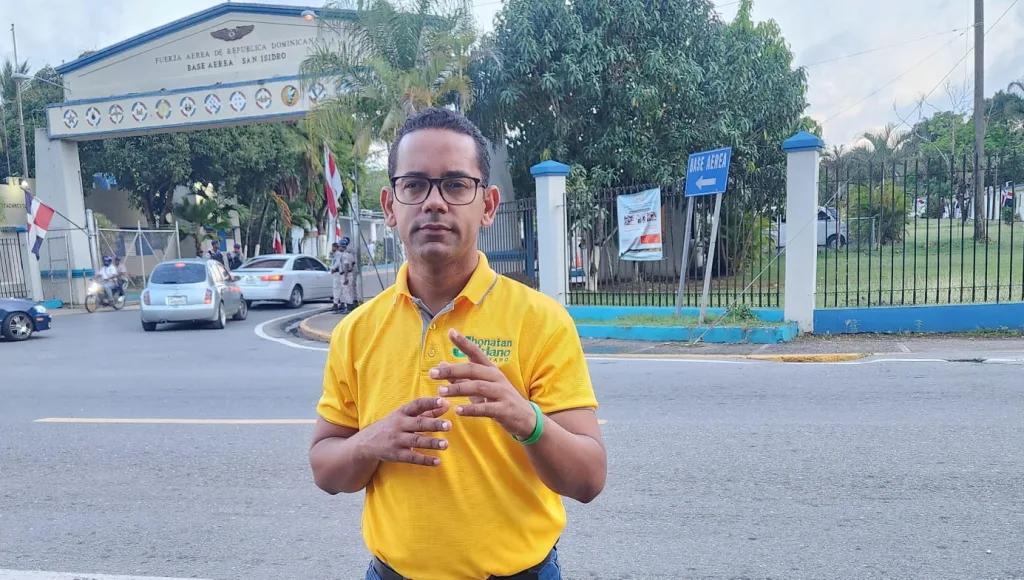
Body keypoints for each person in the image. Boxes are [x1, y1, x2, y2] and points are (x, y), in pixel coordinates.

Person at [311, 108, 606, 580]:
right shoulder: (356, 331)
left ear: (487, 205)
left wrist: (524, 418)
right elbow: (325, 469)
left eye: (455, 185)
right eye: (414, 185)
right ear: (390, 205)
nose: (434, 202)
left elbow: (589, 479)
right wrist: (370, 442)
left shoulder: (541, 321)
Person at [329, 242, 344, 311]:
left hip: (337, 272)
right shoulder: (336, 254)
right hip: (336, 273)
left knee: (336, 288)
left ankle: (336, 304)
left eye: (333, 247)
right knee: (339, 289)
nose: (332, 248)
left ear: (336, 247)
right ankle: (342, 303)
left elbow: (337, 263)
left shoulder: (338, 254)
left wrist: (333, 268)